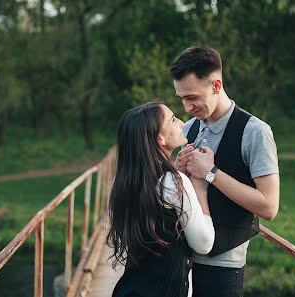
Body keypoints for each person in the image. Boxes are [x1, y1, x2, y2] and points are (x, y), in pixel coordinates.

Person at [170, 46, 280, 297]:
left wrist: (212, 173)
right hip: (179, 261)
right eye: (182, 99)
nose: (187, 107)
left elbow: (269, 207)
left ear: (216, 85)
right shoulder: (187, 129)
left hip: (223, 269)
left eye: (192, 97)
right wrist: (177, 171)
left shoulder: (256, 132)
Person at [107, 101, 215, 297]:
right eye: (173, 120)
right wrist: (200, 188)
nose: (182, 122)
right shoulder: (172, 181)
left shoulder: (130, 180)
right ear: (160, 139)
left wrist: (175, 171)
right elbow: (204, 243)